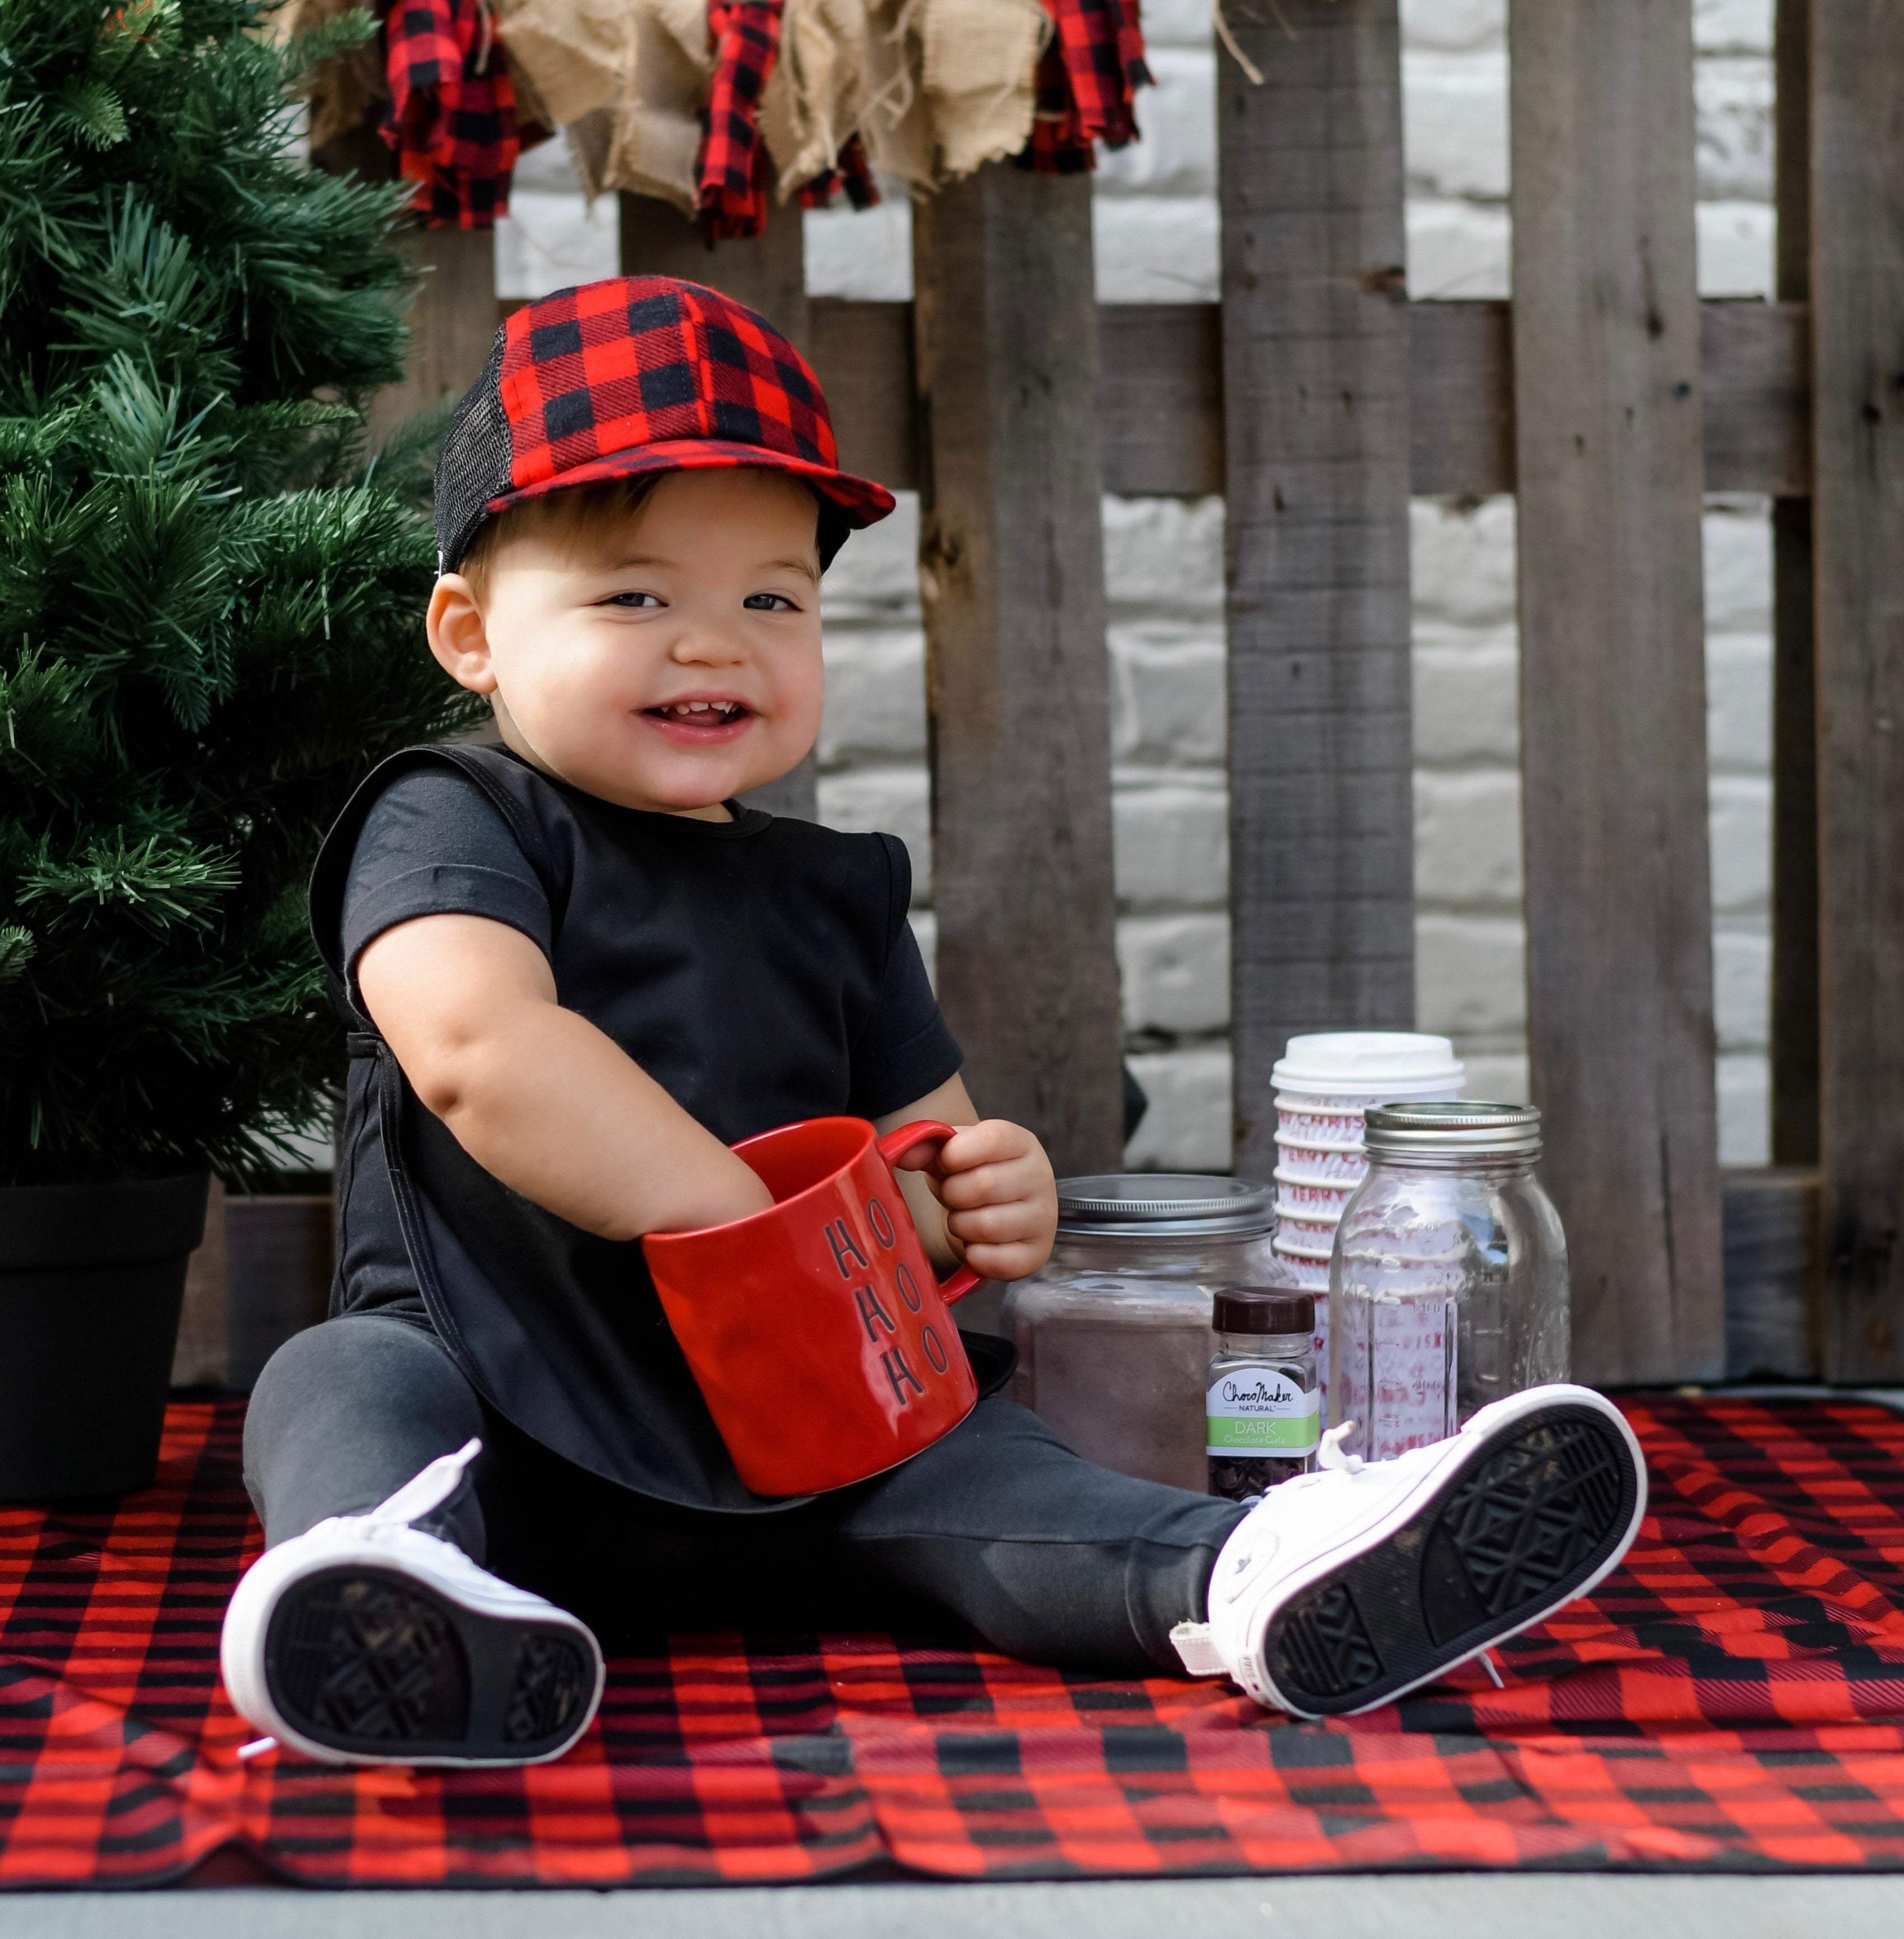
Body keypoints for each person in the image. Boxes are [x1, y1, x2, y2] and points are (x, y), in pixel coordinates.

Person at [219, 278, 1647, 1767]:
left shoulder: (833, 895)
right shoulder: (455, 818)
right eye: (636, 595)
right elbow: (478, 1054)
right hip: (504, 1438)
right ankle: (391, 1579)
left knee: (987, 1453)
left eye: (771, 599)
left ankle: (1251, 1576)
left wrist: (980, 1201)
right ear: (470, 635)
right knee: (344, 1377)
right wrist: (745, 1225)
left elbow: (925, 1191)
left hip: (808, 1452)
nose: (713, 644)